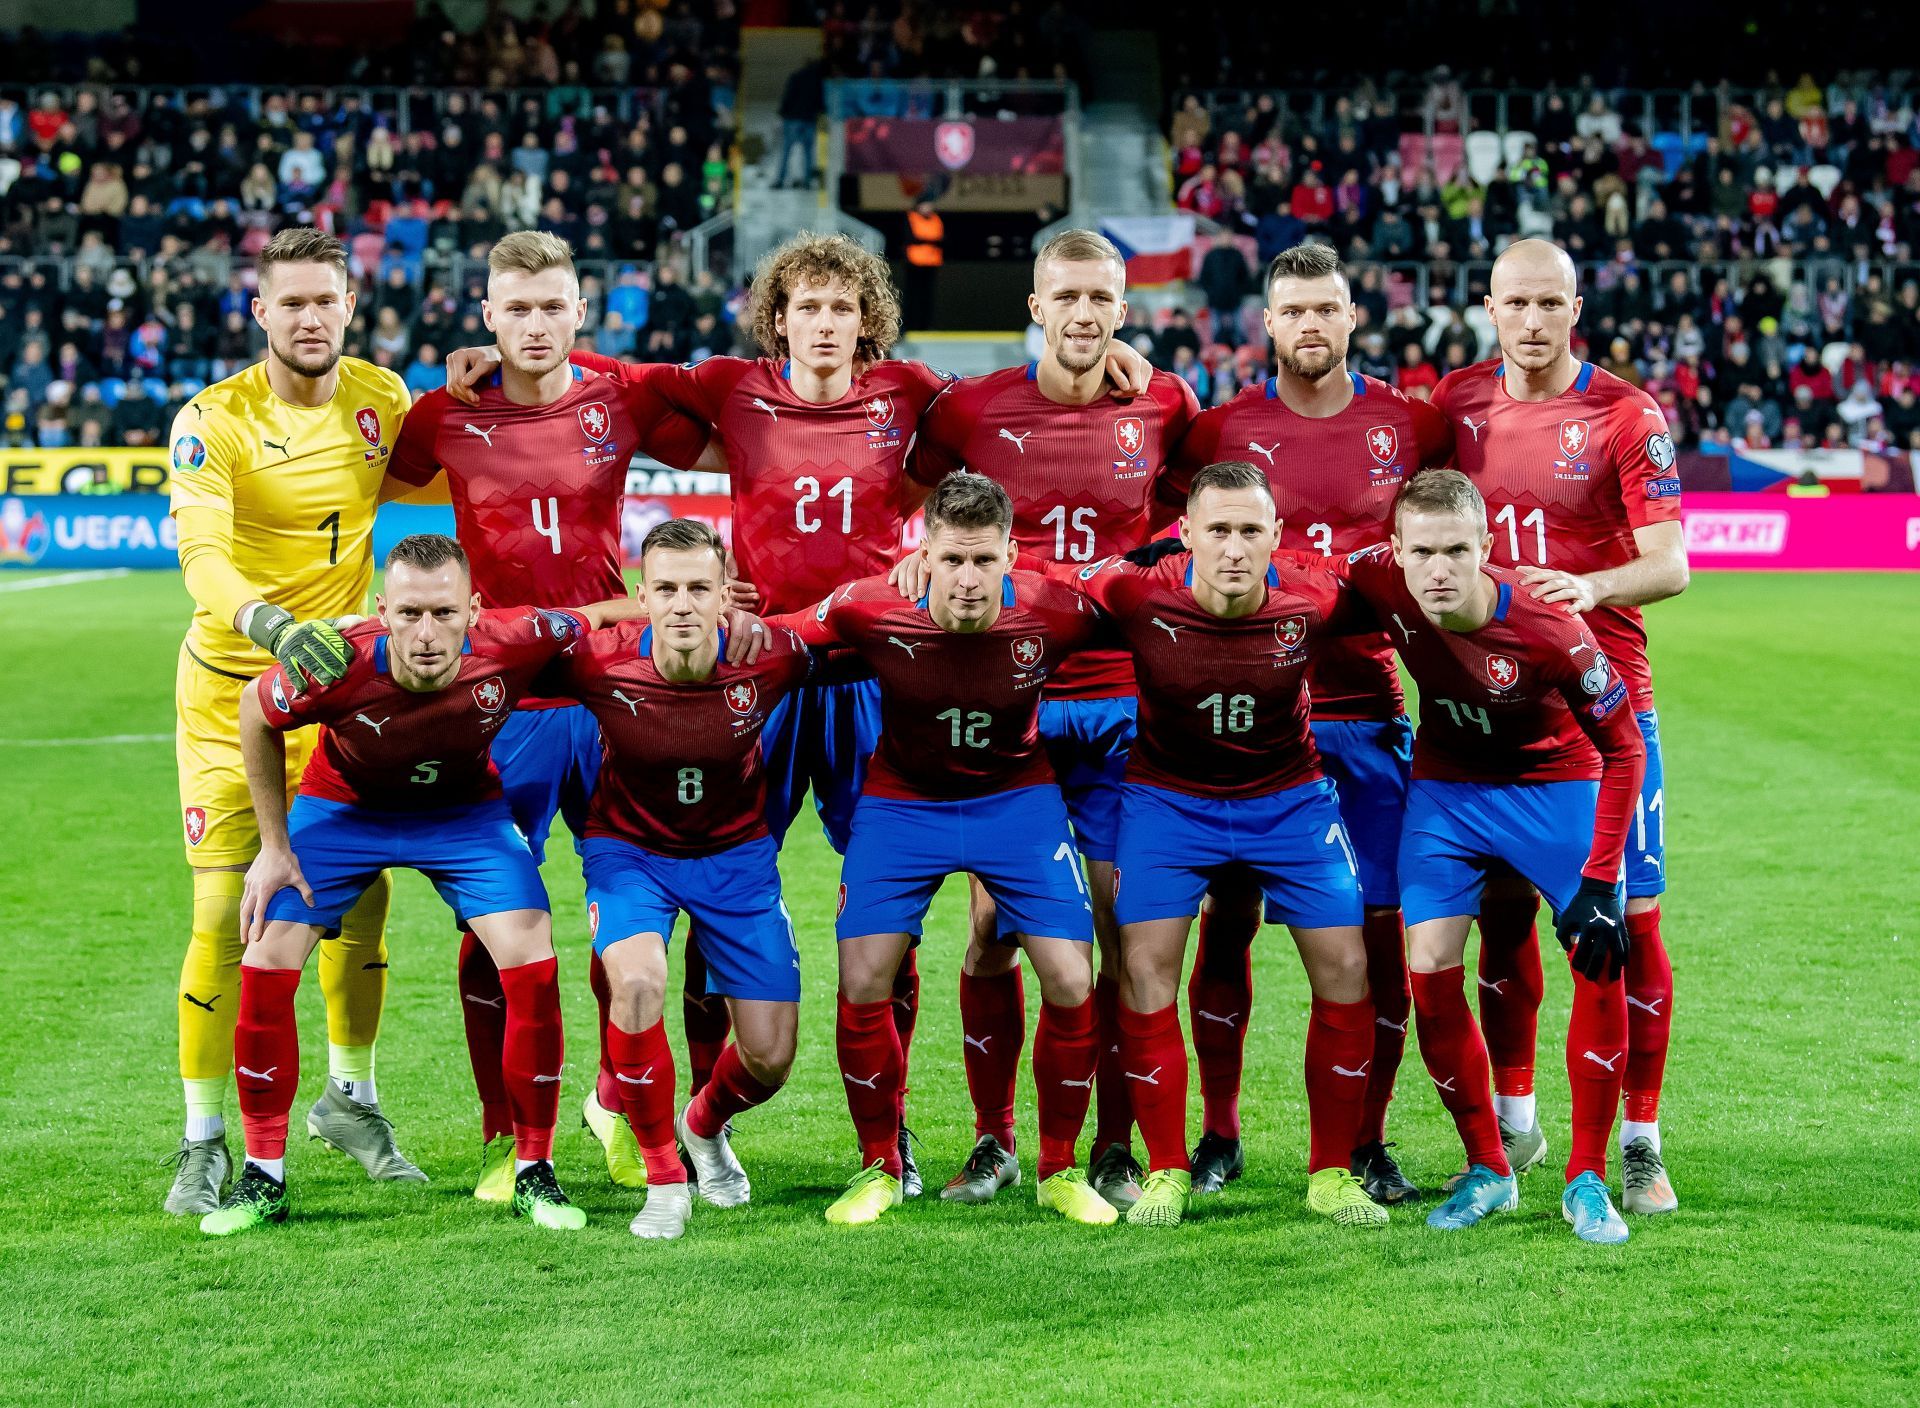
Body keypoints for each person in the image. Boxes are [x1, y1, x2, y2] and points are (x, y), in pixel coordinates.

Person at [444, 230, 1151, 1199]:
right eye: (808, 308)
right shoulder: (734, 388)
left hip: (873, 677)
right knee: (703, 879)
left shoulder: (906, 390)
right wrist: (511, 358)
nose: (826, 325)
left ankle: (890, 1139)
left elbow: (997, 413)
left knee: (889, 922)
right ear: (779, 318)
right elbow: (604, 378)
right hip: (760, 675)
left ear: (869, 320)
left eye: (843, 308)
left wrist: (1120, 358)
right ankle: (690, 1121)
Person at [387, 230, 714, 1199]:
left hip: (612, 686)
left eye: (552, 307)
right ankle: (503, 1135)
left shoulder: (615, 395)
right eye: (516, 308)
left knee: (638, 912)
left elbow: (729, 430)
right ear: (486, 315)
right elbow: (363, 472)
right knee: (489, 925)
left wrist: (603, 360)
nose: (534, 325)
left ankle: (615, 1101)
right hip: (499, 698)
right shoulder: (444, 414)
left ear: (582, 311)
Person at [202, 534, 632, 1236]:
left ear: (474, 608)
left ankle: (534, 1170)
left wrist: (670, 607)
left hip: (463, 815)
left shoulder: (516, 637)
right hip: (344, 812)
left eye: (442, 613)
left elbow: (599, 613)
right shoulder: (336, 661)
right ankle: (263, 1177)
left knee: (532, 954)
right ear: (382, 610)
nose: (426, 634)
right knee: (266, 954)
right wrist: (274, 848)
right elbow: (256, 711)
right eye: (408, 614)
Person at [902, 228, 1198, 1212]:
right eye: (1065, 296)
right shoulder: (975, 409)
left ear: (1124, 309)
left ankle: (1112, 1141)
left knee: (1119, 928)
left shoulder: (1163, 403)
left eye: (1101, 299)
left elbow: (1197, 510)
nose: (1083, 314)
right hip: (1011, 704)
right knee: (992, 930)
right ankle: (994, 1142)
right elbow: (910, 492)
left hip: (1122, 703)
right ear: (1035, 306)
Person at [1165, 241, 1453, 1203]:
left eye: (1326, 309)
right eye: (1293, 312)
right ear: (1268, 326)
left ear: (1352, 318)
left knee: (1377, 939)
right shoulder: (1222, 431)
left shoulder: (1405, 426)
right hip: (1240, 722)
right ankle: (1218, 1133)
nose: (1310, 327)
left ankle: (1366, 1143)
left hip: (1367, 716)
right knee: (1227, 927)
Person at [770, 473, 1115, 1228]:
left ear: (1010, 557)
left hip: (1016, 802)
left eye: (983, 562)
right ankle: (879, 1167)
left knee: (1069, 975)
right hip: (903, 804)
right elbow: (785, 635)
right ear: (922, 554)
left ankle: (1056, 1166)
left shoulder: (1054, 610)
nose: (966, 580)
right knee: (863, 977)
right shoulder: (871, 607)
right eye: (951, 560)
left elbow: (1144, 611)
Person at [163, 228, 417, 1216]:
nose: (311, 317)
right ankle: (204, 1139)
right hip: (233, 694)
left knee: (361, 900)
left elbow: (453, 481)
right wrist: (268, 620)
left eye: (328, 300)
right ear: (260, 312)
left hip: (337, 694)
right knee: (228, 915)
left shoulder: (381, 400)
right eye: (292, 302)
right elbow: (203, 558)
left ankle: (350, 1097)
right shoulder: (212, 419)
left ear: (350, 307)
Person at [1432, 239, 1688, 1215]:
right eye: (1514, 303)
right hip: (1486, 707)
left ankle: (1640, 1139)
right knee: (1501, 924)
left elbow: (1670, 562)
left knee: (1629, 925)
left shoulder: (1627, 413)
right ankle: (1517, 1113)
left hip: (1605, 702)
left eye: (1549, 303)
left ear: (1575, 307)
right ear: (1487, 306)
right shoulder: (1452, 408)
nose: (1532, 322)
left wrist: (1591, 584)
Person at [1339, 471, 1646, 1243]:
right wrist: (1179, 553)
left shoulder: (1550, 627)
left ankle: (1587, 1178)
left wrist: (1604, 879)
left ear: (1486, 548)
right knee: (1429, 967)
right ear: (1396, 551)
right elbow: (1302, 571)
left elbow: (1624, 747)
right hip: (1448, 786)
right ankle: (1490, 1168)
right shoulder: (1380, 577)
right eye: (1421, 552)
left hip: (1555, 782)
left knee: (1598, 956)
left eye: (1455, 551)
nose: (1437, 569)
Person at [1083, 462, 1385, 1230]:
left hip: (1287, 802)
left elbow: (1408, 579)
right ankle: (1166, 1170)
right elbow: (1045, 581)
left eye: (1251, 531)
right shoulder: (1134, 591)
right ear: (1184, 536)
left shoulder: (1314, 594)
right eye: (1217, 529)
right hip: (1166, 803)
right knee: (1143, 965)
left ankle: (1330, 1173)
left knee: (1349, 964)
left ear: (1277, 538)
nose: (1234, 548)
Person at [542, 519, 820, 1241]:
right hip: (629, 853)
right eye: (666, 589)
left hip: (736, 859)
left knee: (771, 1056)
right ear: (644, 595)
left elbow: (859, 631)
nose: (684, 605)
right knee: (636, 984)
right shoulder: (599, 664)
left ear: (727, 595)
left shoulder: (774, 656)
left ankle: (704, 1127)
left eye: (700, 588)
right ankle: (665, 1180)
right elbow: (502, 649)